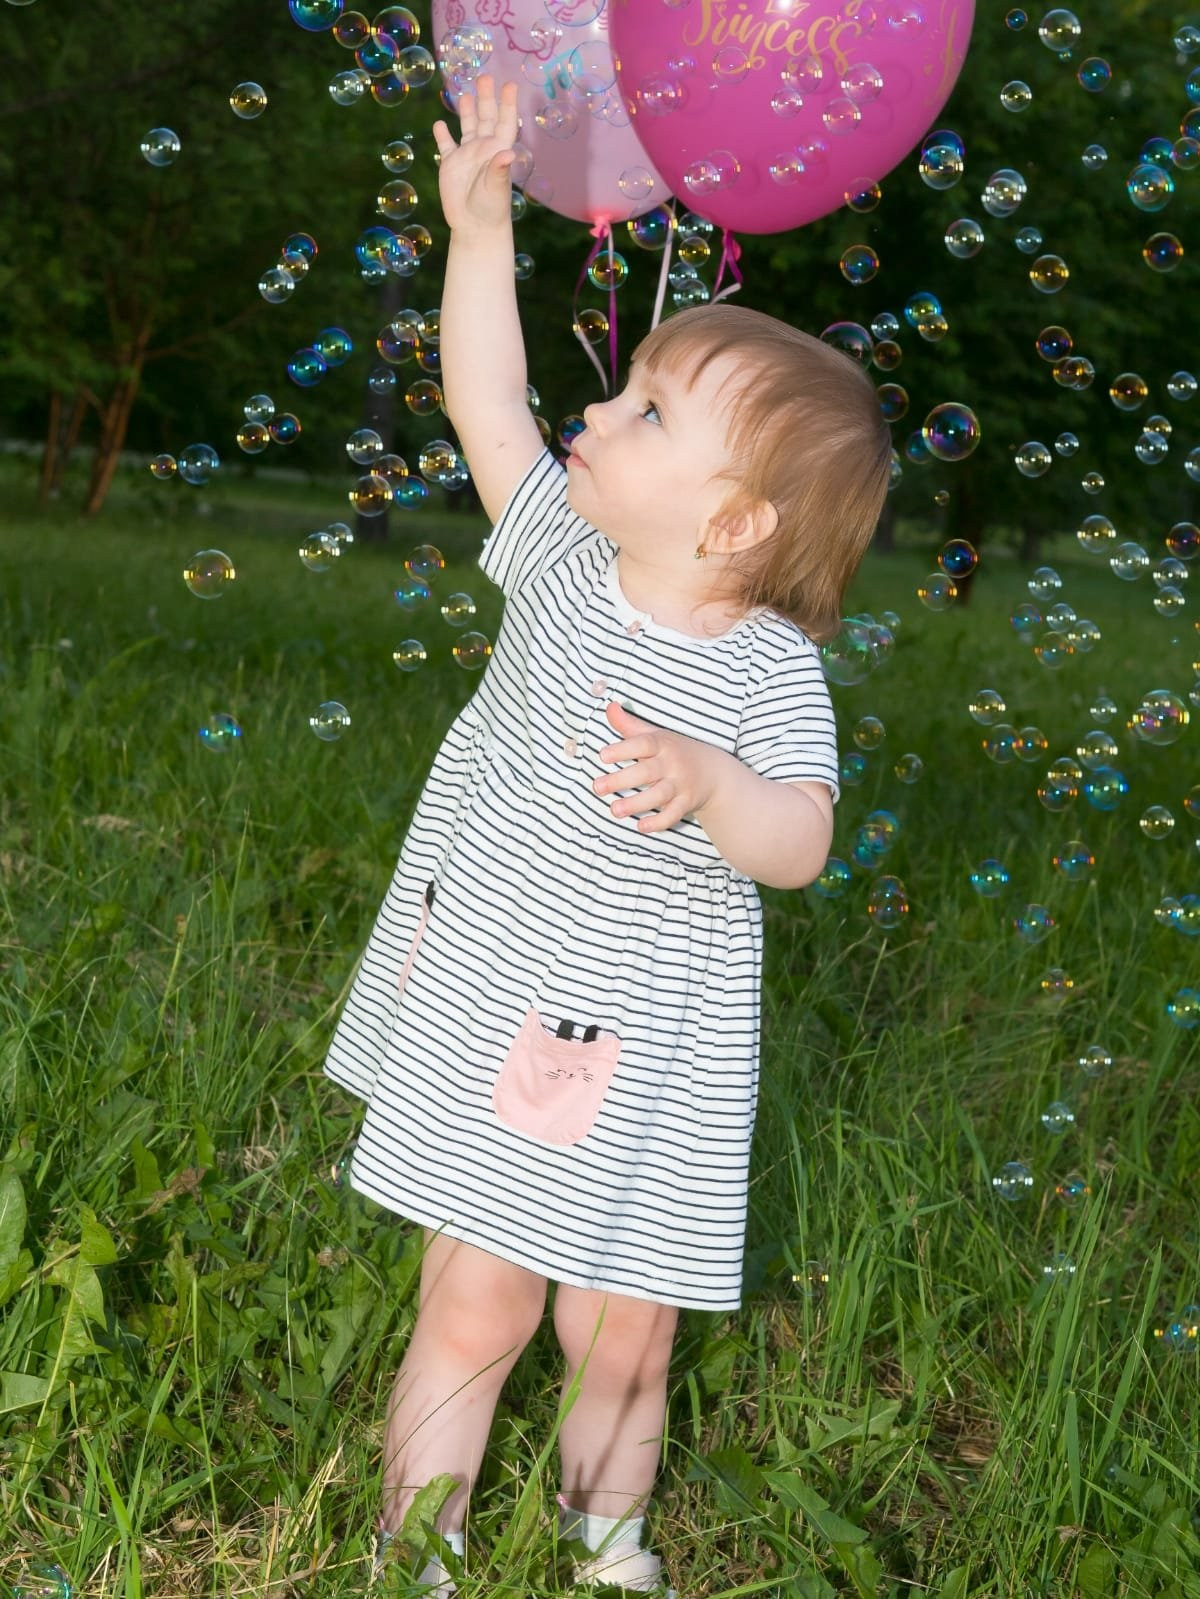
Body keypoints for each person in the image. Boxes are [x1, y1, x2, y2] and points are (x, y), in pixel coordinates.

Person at [323, 74, 891, 1597]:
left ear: (734, 525)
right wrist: (478, 229)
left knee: (623, 1325)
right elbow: (488, 402)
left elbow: (802, 840)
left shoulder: (769, 675)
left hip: (659, 1045)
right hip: (502, 994)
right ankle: (417, 1547)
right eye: (624, 390)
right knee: (479, 1296)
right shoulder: (563, 559)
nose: (597, 414)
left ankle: (606, 1534)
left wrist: (716, 786)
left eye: (647, 413)